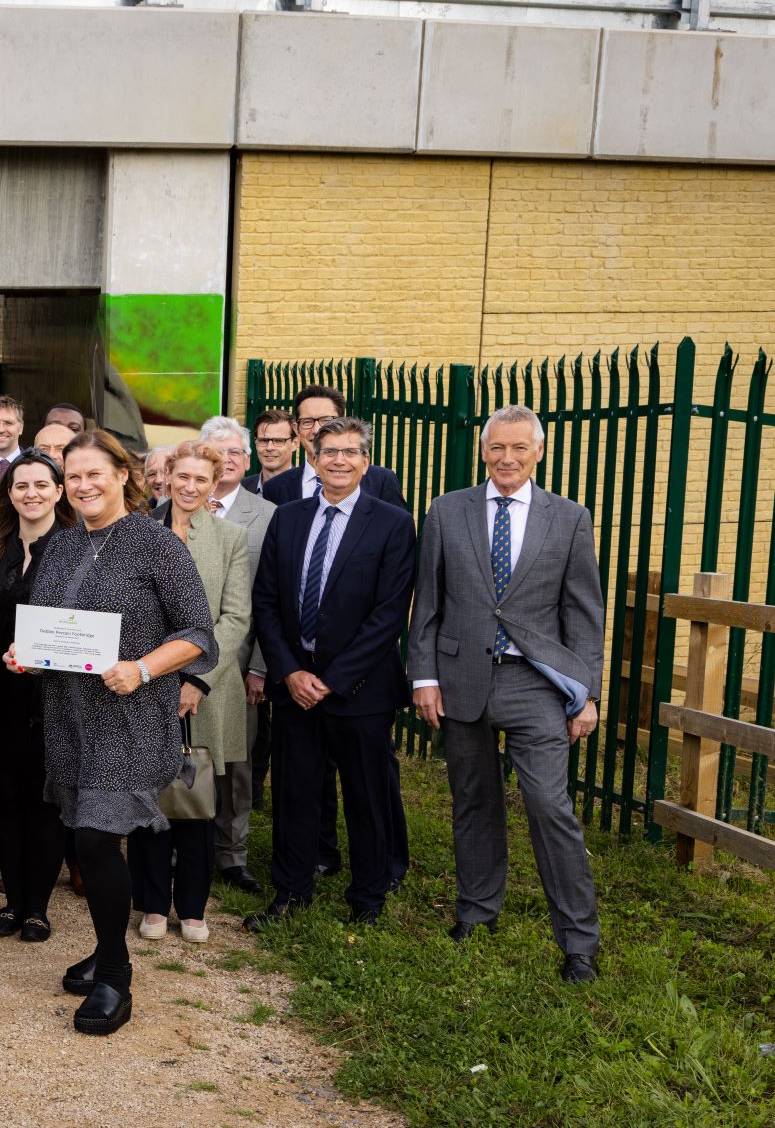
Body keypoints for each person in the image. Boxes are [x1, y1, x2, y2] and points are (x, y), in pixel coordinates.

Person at [6, 429, 215, 1037]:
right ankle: (102, 947)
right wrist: (28, 656)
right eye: (74, 477)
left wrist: (145, 667)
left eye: (95, 474)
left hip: (129, 719)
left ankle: (115, 977)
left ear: (123, 475)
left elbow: (199, 633)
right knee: (86, 838)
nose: (83, 485)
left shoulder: (156, 544)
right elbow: (52, 630)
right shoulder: (64, 546)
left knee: (97, 840)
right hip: (70, 719)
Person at [409, 405, 604, 983]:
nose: (508, 458)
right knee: (473, 800)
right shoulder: (447, 511)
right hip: (461, 678)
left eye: (520, 448)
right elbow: (428, 601)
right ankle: (476, 911)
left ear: (538, 453)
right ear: (484, 450)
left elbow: (585, 614)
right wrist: (424, 678)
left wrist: (585, 693)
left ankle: (578, 942)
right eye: (498, 448)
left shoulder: (568, 519)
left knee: (549, 806)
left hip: (535, 683)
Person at [247, 417, 415, 931]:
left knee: (365, 795)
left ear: (366, 461)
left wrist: (334, 679)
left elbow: (389, 613)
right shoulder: (289, 517)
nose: (339, 460)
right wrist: (291, 671)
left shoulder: (391, 522)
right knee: (295, 793)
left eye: (350, 452)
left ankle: (367, 897)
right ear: (312, 458)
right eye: (329, 452)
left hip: (360, 688)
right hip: (295, 684)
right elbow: (267, 601)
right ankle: (290, 891)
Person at [130, 442, 251, 945]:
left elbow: (236, 617)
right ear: (166, 476)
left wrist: (195, 678)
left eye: (202, 479)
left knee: (196, 798)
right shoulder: (137, 533)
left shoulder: (230, 538)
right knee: (146, 799)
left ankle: (194, 907)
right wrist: (148, 671)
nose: (189, 487)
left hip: (207, 687)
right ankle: (154, 905)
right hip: (142, 684)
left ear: (215, 482)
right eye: (182, 476)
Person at [0, 452, 73, 943]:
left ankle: (38, 908)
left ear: (59, 491)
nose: (30, 493)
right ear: (7, 494)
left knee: (46, 802)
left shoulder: (78, 550)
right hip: (1, 694)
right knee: (9, 801)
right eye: (20, 486)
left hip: (56, 697)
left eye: (40, 485)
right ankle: (12, 904)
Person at [200, 416, 276, 895]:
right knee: (185, 756)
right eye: (218, 452)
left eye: (236, 453)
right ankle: (182, 843)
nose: (229, 461)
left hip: (240, 662)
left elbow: (271, 597)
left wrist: (259, 668)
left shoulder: (266, 515)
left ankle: (232, 853)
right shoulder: (173, 509)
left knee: (237, 764)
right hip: (175, 662)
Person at [260, 386, 405, 510]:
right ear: (296, 428)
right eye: (307, 421)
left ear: (342, 422)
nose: (316, 429)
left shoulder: (382, 481)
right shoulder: (274, 488)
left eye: (326, 420)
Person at [247, 409, 295, 493]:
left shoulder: (306, 490)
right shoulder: (240, 489)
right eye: (263, 440)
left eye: (278, 441)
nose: (269, 448)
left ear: (295, 443)